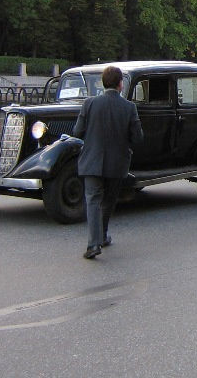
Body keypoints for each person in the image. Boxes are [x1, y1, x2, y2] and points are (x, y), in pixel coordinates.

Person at [73, 65, 143, 259]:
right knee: (109, 201)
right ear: (121, 84)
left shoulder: (89, 104)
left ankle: (94, 244)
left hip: (92, 161)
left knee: (93, 201)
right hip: (117, 163)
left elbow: (77, 132)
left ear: (102, 83)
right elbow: (138, 137)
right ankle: (102, 236)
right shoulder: (129, 108)